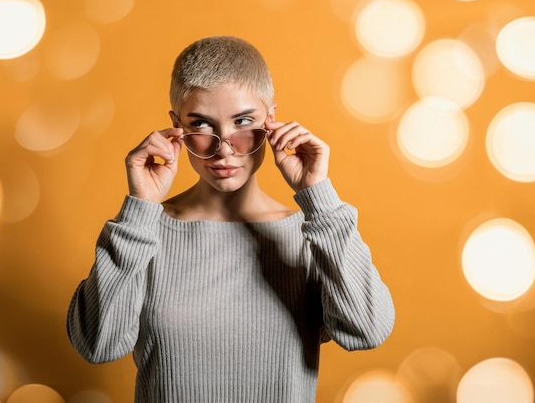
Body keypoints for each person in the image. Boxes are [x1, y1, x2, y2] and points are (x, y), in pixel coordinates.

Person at [67, 36, 395, 403]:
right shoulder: (144, 232)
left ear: (271, 121)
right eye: (202, 124)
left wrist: (319, 196)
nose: (224, 147)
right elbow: (97, 344)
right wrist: (140, 209)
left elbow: (367, 331)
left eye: (243, 121)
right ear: (175, 126)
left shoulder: (311, 234)